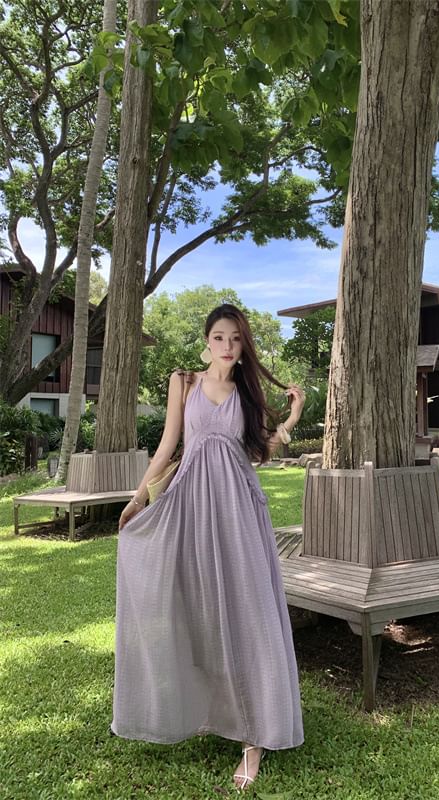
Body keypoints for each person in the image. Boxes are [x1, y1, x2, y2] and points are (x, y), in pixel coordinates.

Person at [113, 303, 305, 790]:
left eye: (235, 339)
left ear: (244, 346)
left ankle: (255, 737)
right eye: (219, 337)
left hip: (239, 511)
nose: (227, 346)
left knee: (250, 612)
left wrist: (293, 416)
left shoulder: (246, 392)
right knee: (196, 610)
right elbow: (167, 446)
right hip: (191, 508)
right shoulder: (184, 382)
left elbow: (258, 453)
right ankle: (208, 711)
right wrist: (137, 498)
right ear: (207, 340)